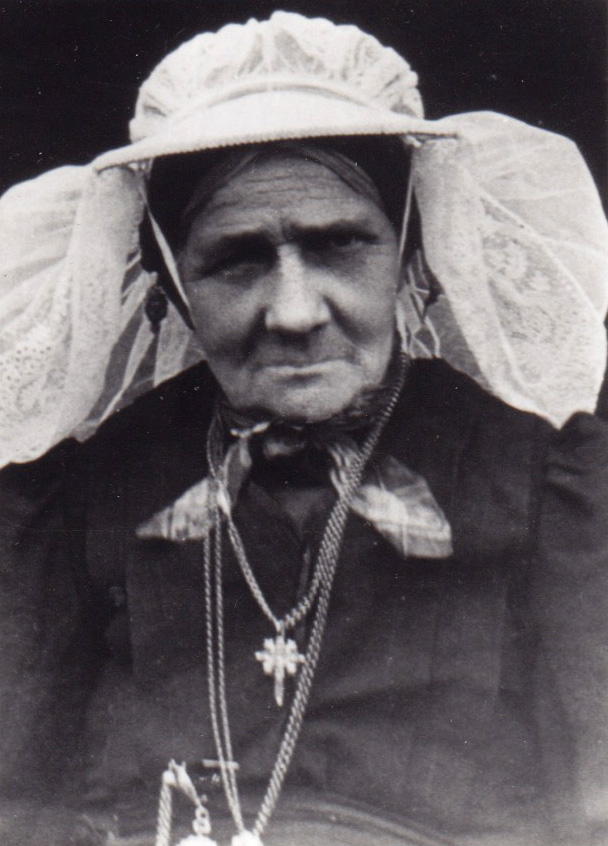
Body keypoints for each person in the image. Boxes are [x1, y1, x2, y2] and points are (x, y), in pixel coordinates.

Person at [1, 10, 608, 846]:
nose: (293, 313)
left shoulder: (547, 486)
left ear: (409, 253)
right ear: (173, 283)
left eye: (339, 245)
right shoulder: (79, 497)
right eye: (237, 259)